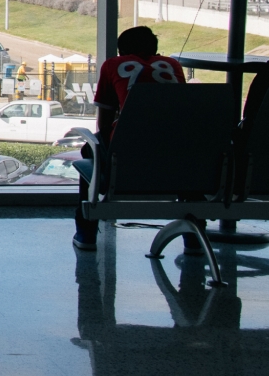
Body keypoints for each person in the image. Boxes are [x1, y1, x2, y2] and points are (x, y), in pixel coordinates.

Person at [73, 26, 186, 251]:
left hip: (128, 157)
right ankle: (193, 239)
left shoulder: (113, 65)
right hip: (177, 157)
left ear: (121, 51)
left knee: (89, 151)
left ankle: (86, 234)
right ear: (155, 49)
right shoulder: (172, 65)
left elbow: (104, 123)